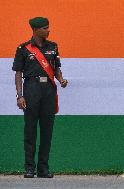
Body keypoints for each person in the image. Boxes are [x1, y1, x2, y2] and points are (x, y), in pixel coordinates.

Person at [12, 17, 68, 178]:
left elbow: (56, 68)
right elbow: (18, 73)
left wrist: (61, 79)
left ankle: (43, 168)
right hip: (31, 90)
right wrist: (19, 96)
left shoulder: (53, 46)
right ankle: (29, 168)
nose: (48, 30)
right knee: (30, 131)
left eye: (48, 27)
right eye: (45, 28)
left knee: (47, 131)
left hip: (48, 91)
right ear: (35, 30)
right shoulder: (23, 48)